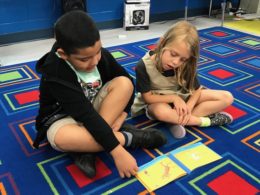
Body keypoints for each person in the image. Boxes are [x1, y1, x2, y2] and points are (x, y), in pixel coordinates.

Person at [33, 10, 167, 179]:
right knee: (61, 139)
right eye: (84, 59)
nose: (95, 61)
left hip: (94, 110)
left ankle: (85, 148)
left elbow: (127, 80)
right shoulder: (55, 72)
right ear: (63, 55)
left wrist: (123, 114)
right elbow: (85, 114)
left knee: (123, 84)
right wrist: (118, 151)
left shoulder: (97, 54)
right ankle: (129, 137)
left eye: (97, 52)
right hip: (62, 117)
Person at [131, 20, 234, 138]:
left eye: (183, 59)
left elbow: (196, 90)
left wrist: (189, 107)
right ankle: (204, 121)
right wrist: (174, 99)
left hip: (182, 97)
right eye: (173, 54)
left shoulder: (186, 65)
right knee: (160, 112)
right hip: (158, 100)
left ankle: (176, 120)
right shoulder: (143, 65)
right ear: (162, 43)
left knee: (227, 97)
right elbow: (148, 98)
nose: (176, 62)